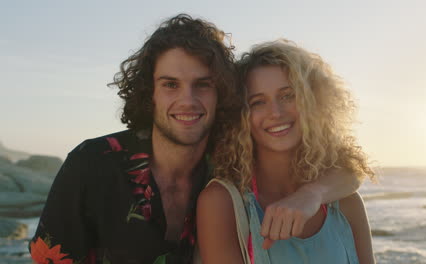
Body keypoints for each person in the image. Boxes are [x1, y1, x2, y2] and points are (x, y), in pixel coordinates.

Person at [29, 15, 362, 264]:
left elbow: (348, 169)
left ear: (223, 96)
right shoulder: (92, 163)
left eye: (202, 84)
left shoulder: (225, 158)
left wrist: (312, 193)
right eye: (171, 84)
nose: (187, 101)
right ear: (150, 93)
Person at [197, 40, 375, 263]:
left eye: (287, 95)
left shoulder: (345, 202)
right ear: (240, 116)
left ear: (313, 102)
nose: (276, 112)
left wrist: (311, 194)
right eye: (258, 102)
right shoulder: (222, 204)